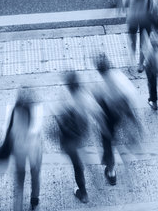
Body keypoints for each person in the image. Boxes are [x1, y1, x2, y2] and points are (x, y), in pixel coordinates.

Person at [93, 54, 141, 186]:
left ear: (99, 70)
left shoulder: (101, 85)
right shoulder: (119, 76)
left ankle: (111, 172)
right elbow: (130, 97)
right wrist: (135, 121)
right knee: (114, 136)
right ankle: (127, 146)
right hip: (121, 113)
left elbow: (98, 104)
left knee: (107, 142)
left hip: (109, 116)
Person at [0, 89, 43, 211]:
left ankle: (17, 207)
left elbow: (6, 129)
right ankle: (34, 200)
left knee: (19, 179)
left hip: (18, 149)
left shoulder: (12, 110)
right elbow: (37, 131)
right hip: (34, 149)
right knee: (35, 174)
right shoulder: (36, 110)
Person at [55, 72, 93, 203]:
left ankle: (83, 194)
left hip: (70, 141)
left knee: (77, 166)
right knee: (79, 162)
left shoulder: (67, 102)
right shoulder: (84, 97)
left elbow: (60, 124)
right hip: (81, 136)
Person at [124, 0, 158, 72]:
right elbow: (156, 2)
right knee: (144, 42)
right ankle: (140, 65)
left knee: (132, 40)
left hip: (132, 17)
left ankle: (132, 62)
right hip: (146, 17)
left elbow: (125, 2)